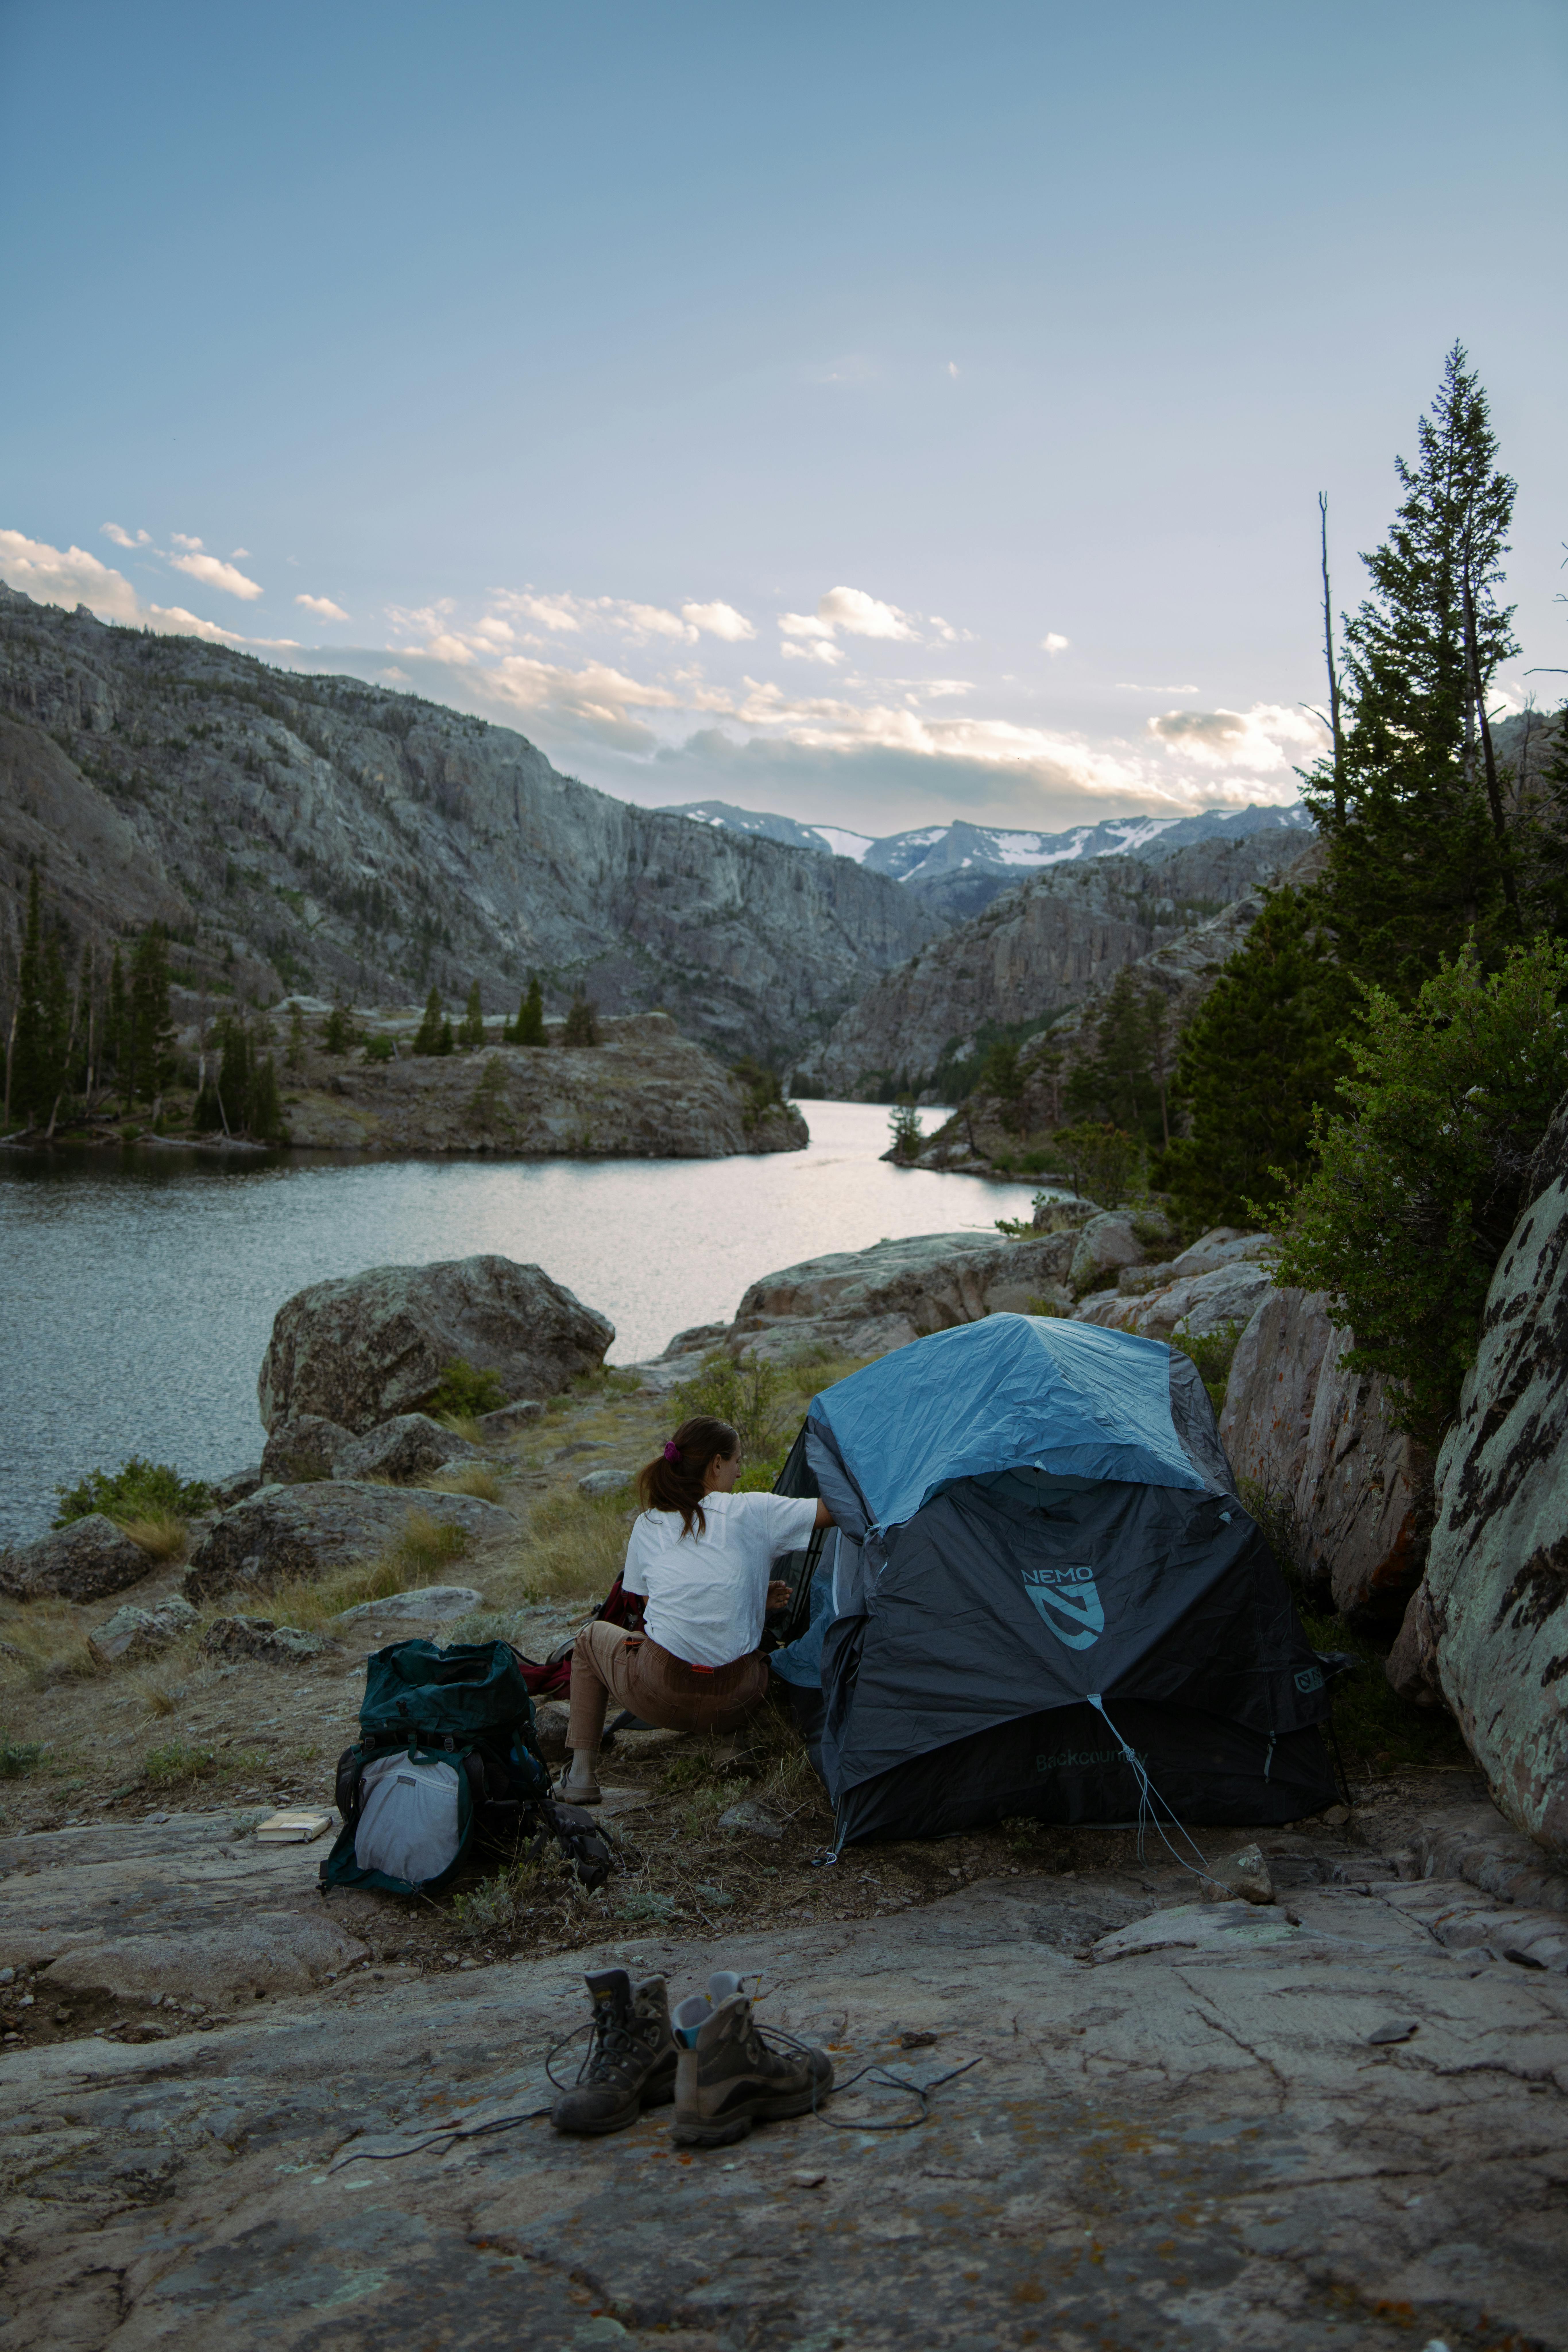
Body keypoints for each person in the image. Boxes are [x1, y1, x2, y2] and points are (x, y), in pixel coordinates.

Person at [557, 1413, 832, 1805]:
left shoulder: (649, 1523)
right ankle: (730, 1745)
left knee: (589, 1639)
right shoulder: (752, 1511)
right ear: (717, 1463)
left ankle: (582, 1775)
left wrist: (754, 1595)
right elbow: (835, 1510)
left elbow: (663, 1612)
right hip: (737, 1698)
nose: (739, 1473)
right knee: (749, 1654)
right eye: (737, 1461)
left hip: (660, 1696)